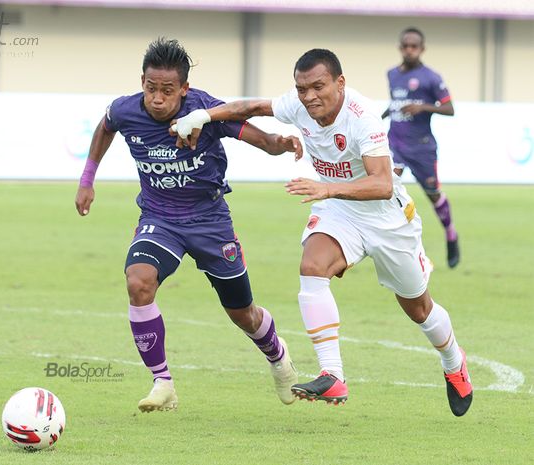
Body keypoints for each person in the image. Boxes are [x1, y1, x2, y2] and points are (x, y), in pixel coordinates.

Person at [172, 49, 473, 416]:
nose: (309, 96)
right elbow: (252, 108)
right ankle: (333, 374)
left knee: (418, 308)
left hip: (386, 218)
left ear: (339, 83)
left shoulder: (362, 119)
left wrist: (327, 188)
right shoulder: (299, 106)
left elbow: (381, 184)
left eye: (318, 87)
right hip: (339, 210)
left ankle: (454, 362)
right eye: (302, 88)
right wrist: (202, 115)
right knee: (312, 267)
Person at [75, 38, 302, 412]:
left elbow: (248, 132)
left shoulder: (205, 110)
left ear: (184, 89)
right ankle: (162, 382)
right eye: (151, 89)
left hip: (210, 220)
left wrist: (278, 144)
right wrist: (87, 179)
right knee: (138, 281)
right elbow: (105, 127)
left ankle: (277, 355)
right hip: (159, 218)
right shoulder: (126, 110)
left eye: (167, 91)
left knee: (242, 312)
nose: (158, 99)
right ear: (142, 83)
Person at [381, 27, 460, 268]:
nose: (409, 50)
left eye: (413, 46)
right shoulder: (392, 74)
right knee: (386, 191)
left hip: (421, 146)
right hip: (394, 142)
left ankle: (451, 234)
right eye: (405, 46)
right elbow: (396, 102)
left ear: (422, 49)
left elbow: (449, 109)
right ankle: (395, 247)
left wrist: (423, 107)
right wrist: (382, 115)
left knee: (432, 193)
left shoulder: (431, 78)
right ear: (400, 47)